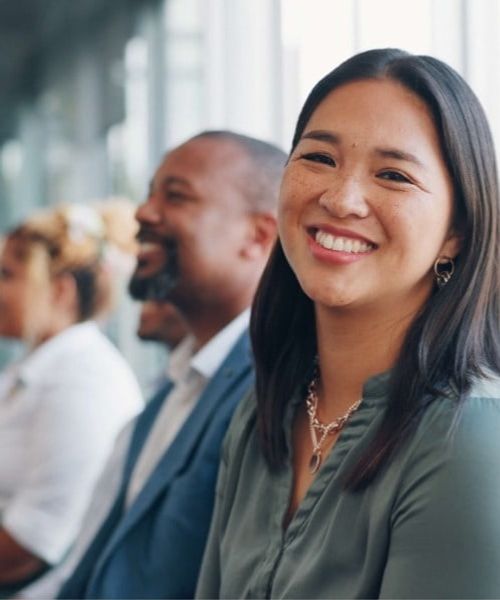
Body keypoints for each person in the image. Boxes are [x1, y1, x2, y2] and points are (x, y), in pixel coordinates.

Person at [196, 49, 500, 599]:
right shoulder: (263, 412)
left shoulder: (471, 441)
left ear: (457, 231)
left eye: (393, 174)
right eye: (319, 158)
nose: (340, 199)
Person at [48, 130, 286, 599]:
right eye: (150, 192)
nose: (142, 212)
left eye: (175, 196)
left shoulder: (275, 390)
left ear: (258, 236)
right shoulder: (175, 387)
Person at [0, 200, 143, 593]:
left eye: (6, 274)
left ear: (60, 290)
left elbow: (30, 547)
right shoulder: (31, 370)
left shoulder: (83, 382)